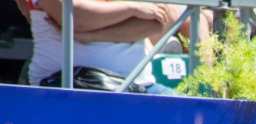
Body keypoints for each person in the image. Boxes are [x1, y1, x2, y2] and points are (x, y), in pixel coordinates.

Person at [19, 0, 195, 94]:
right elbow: (73, 16)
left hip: (140, 87)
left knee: (191, 123)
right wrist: (131, 8)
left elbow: (158, 22)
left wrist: (91, 35)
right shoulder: (133, 7)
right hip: (66, 87)